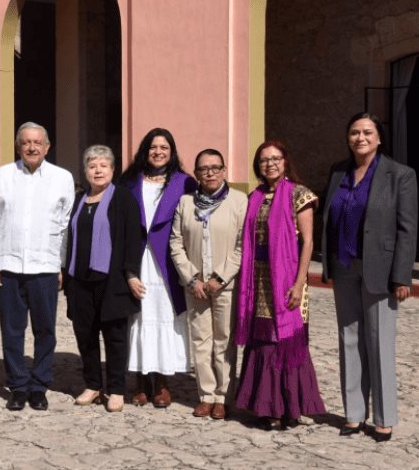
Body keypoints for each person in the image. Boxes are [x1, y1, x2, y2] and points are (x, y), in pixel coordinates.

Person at [321, 113, 417, 442]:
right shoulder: (338, 171)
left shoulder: (399, 175)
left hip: (381, 268)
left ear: (378, 138)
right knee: (349, 339)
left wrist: (402, 276)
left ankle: (384, 418)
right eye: (354, 132)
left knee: (379, 344)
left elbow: (407, 229)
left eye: (367, 132)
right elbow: (329, 215)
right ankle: (353, 414)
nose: (360, 137)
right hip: (345, 265)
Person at [234, 140, 326, 430]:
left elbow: (308, 242)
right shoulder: (255, 196)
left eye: (275, 158)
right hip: (258, 280)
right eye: (263, 160)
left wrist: (299, 283)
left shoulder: (300, 194)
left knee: (286, 340)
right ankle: (265, 406)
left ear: (285, 161)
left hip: (288, 280)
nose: (269, 164)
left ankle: (289, 406)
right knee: (263, 338)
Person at [0, 121, 75, 411]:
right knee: (12, 330)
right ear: (18, 146)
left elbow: (65, 226)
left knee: (45, 330)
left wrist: (61, 265)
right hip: (9, 267)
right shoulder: (4, 175)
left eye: (37, 142)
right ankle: (18, 386)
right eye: (26, 142)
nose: (32, 147)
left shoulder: (62, 178)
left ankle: (39, 385)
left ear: (47, 147)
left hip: (45, 268)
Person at [119, 128, 196, 408]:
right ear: (145, 150)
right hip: (137, 259)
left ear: (172, 151)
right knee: (138, 317)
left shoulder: (185, 183)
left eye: (164, 147)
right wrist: (126, 270)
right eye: (153, 147)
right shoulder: (129, 182)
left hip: (167, 262)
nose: (158, 152)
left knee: (165, 316)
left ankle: (162, 381)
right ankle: (141, 380)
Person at [64, 145, 142, 413]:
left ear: (112, 169)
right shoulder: (79, 200)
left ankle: (117, 389)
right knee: (85, 335)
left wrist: (131, 273)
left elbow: (133, 238)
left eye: (103, 165)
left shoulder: (123, 198)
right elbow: (69, 239)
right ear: (85, 171)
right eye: (92, 166)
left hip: (112, 280)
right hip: (80, 280)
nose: (97, 170)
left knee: (114, 336)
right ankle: (93, 385)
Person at [170, 149, 247, 420]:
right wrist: (192, 278)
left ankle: (223, 396)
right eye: (203, 169)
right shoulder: (185, 202)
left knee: (224, 339)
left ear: (224, 171)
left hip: (225, 284)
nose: (210, 173)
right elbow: (176, 243)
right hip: (196, 285)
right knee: (201, 339)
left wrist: (221, 277)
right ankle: (206, 395)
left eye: (215, 167)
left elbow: (242, 245)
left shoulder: (239, 201)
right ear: (196, 173)